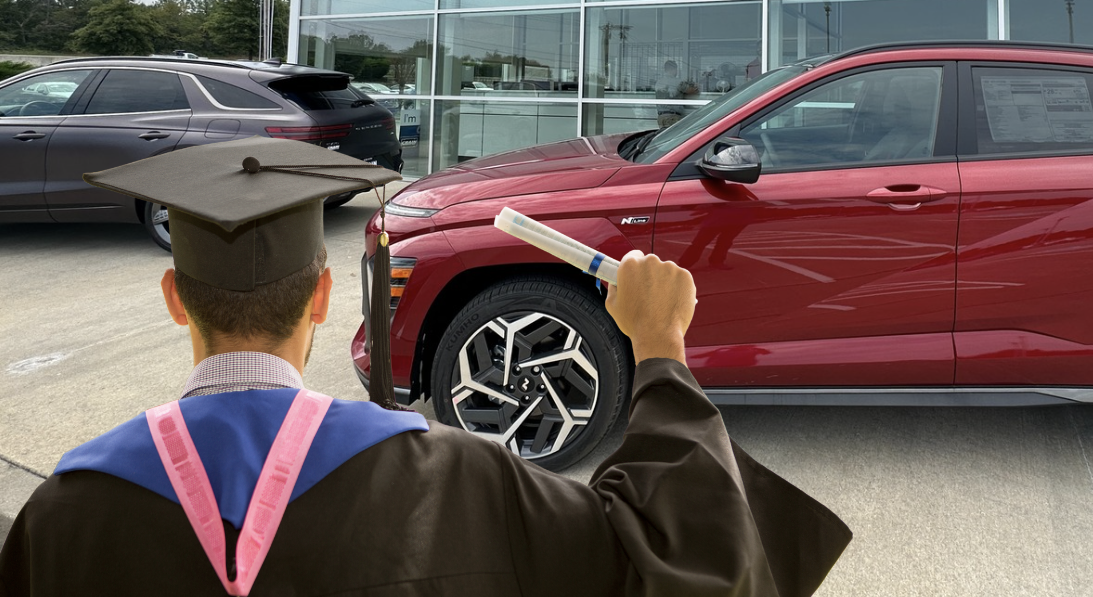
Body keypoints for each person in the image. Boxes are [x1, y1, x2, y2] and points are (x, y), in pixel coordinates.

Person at [0, 137, 850, 596]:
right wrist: (659, 348)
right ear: (327, 296)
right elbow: (679, 565)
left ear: (174, 297)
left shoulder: (66, 512)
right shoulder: (451, 474)